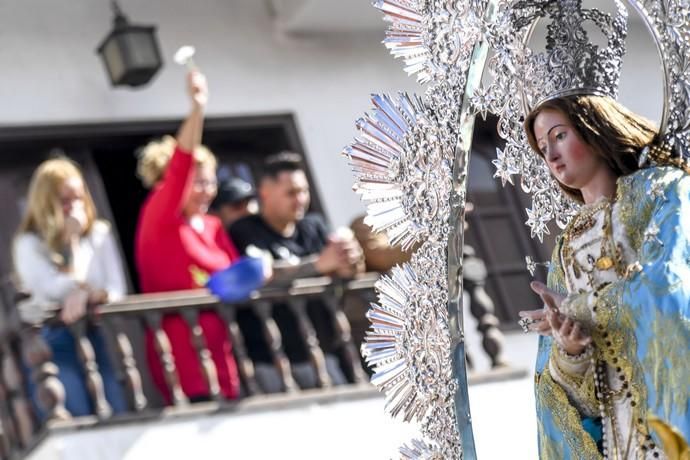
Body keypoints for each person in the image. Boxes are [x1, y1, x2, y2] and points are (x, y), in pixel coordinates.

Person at [517, 94, 690, 458]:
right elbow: (564, 395)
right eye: (542, 146)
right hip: (620, 440)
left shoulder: (662, 191)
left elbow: (669, 286)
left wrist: (582, 308)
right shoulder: (566, 248)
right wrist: (571, 352)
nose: (550, 155)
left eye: (560, 135)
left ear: (594, 126)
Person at [135, 70, 256, 403]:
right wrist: (197, 107)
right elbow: (181, 165)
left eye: (211, 182)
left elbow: (233, 277)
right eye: (199, 182)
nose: (209, 191)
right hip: (183, 359)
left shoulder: (213, 226)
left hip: (224, 355)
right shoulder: (159, 216)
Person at [229, 152, 364, 391]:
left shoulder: (314, 225)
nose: (300, 199)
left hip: (324, 352)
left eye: (304, 191)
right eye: (291, 192)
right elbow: (262, 275)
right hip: (272, 359)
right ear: (265, 193)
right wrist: (318, 265)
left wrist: (351, 262)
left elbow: (345, 271)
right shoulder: (244, 230)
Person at [13, 157, 128, 417]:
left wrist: (84, 292)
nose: (73, 207)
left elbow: (115, 288)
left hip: (93, 334)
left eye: (77, 198)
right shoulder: (29, 244)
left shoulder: (98, 234)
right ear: (46, 203)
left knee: (114, 410)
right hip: (54, 340)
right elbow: (50, 290)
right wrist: (72, 245)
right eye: (64, 201)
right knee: (74, 414)